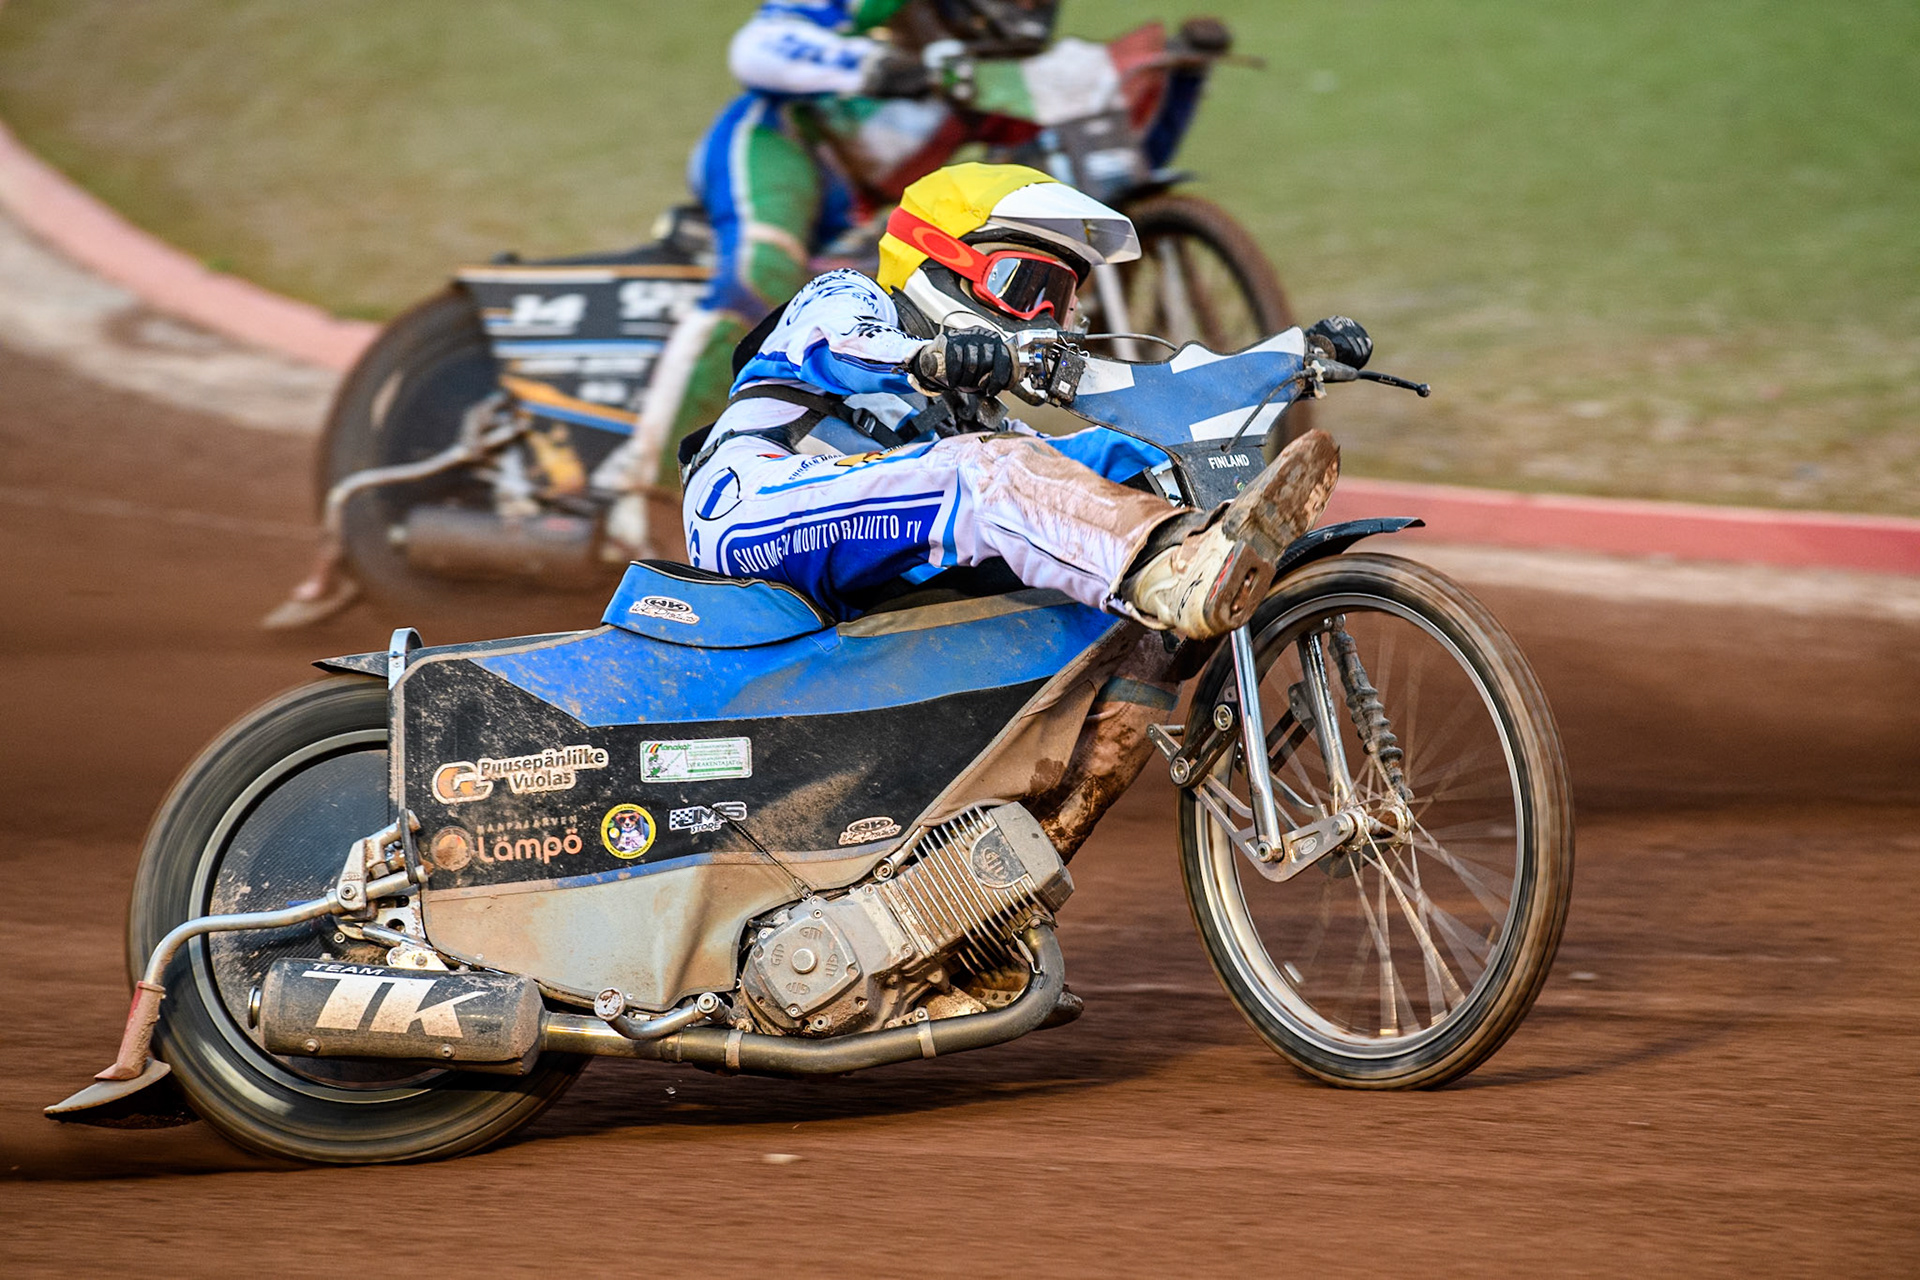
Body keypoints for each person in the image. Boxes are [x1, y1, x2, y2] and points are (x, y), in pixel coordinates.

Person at [678, 161, 1342, 639]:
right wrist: (927, 356)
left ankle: (1229, 545)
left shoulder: (978, 409)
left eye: (1063, 302)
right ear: (941, 260)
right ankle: (1171, 574)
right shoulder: (853, 297)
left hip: (887, 524)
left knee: (1119, 456)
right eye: (1030, 288)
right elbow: (845, 343)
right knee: (993, 471)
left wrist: (1286, 360)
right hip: (751, 507)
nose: (1047, 318)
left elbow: (1052, 471)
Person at [597, 1, 1061, 555]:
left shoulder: (996, 74)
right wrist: (871, 66)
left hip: (859, 212)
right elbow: (759, 46)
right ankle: (641, 500)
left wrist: (1181, 80)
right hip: (779, 145)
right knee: (763, 273)